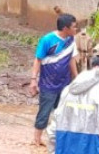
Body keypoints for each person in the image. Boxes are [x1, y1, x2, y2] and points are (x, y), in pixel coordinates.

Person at [30, 13, 79, 146]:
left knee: (63, 112)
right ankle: (37, 140)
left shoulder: (71, 40)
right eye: (74, 27)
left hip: (65, 84)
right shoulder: (47, 40)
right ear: (65, 28)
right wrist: (34, 80)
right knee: (44, 112)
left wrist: (77, 78)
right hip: (48, 84)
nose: (76, 30)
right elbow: (38, 60)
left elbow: (71, 61)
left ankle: (60, 140)